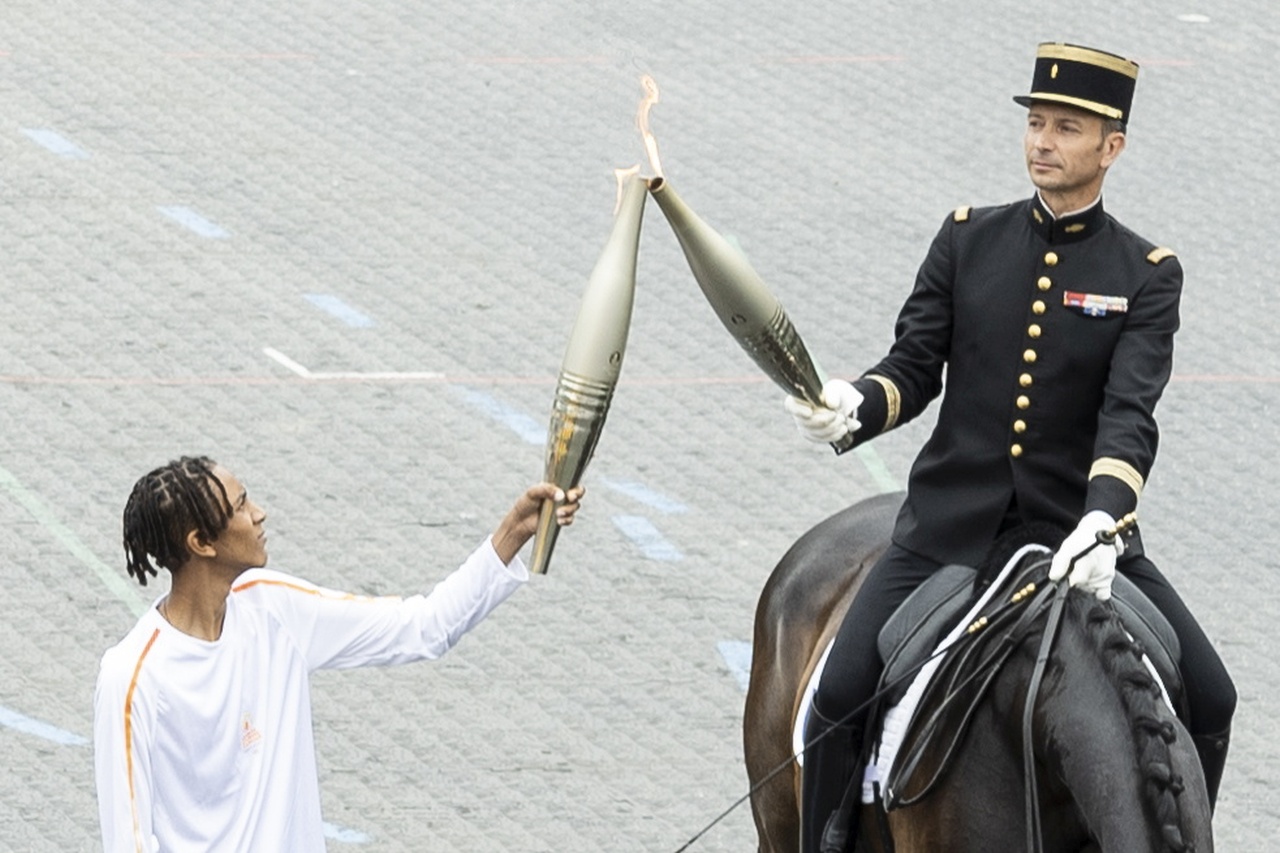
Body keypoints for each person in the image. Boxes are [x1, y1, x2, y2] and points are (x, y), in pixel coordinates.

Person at [785, 42, 1235, 852]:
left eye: (1066, 128)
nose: (1042, 142)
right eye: (1035, 123)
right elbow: (914, 366)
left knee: (1212, 693)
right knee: (839, 691)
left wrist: (1104, 521)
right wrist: (857, 404)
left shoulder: (1146, 274)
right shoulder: (968, 239)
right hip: (949, 533)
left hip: (1081, 538)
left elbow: (1129, 414)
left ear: (1112, 146)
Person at [93, 455, 583, 852]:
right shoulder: (133, 676)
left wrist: (512, 533)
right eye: (241, 507)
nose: (259, 513)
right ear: (201, 543)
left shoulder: (274, 607)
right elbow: (130, 843)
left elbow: (424, 627)